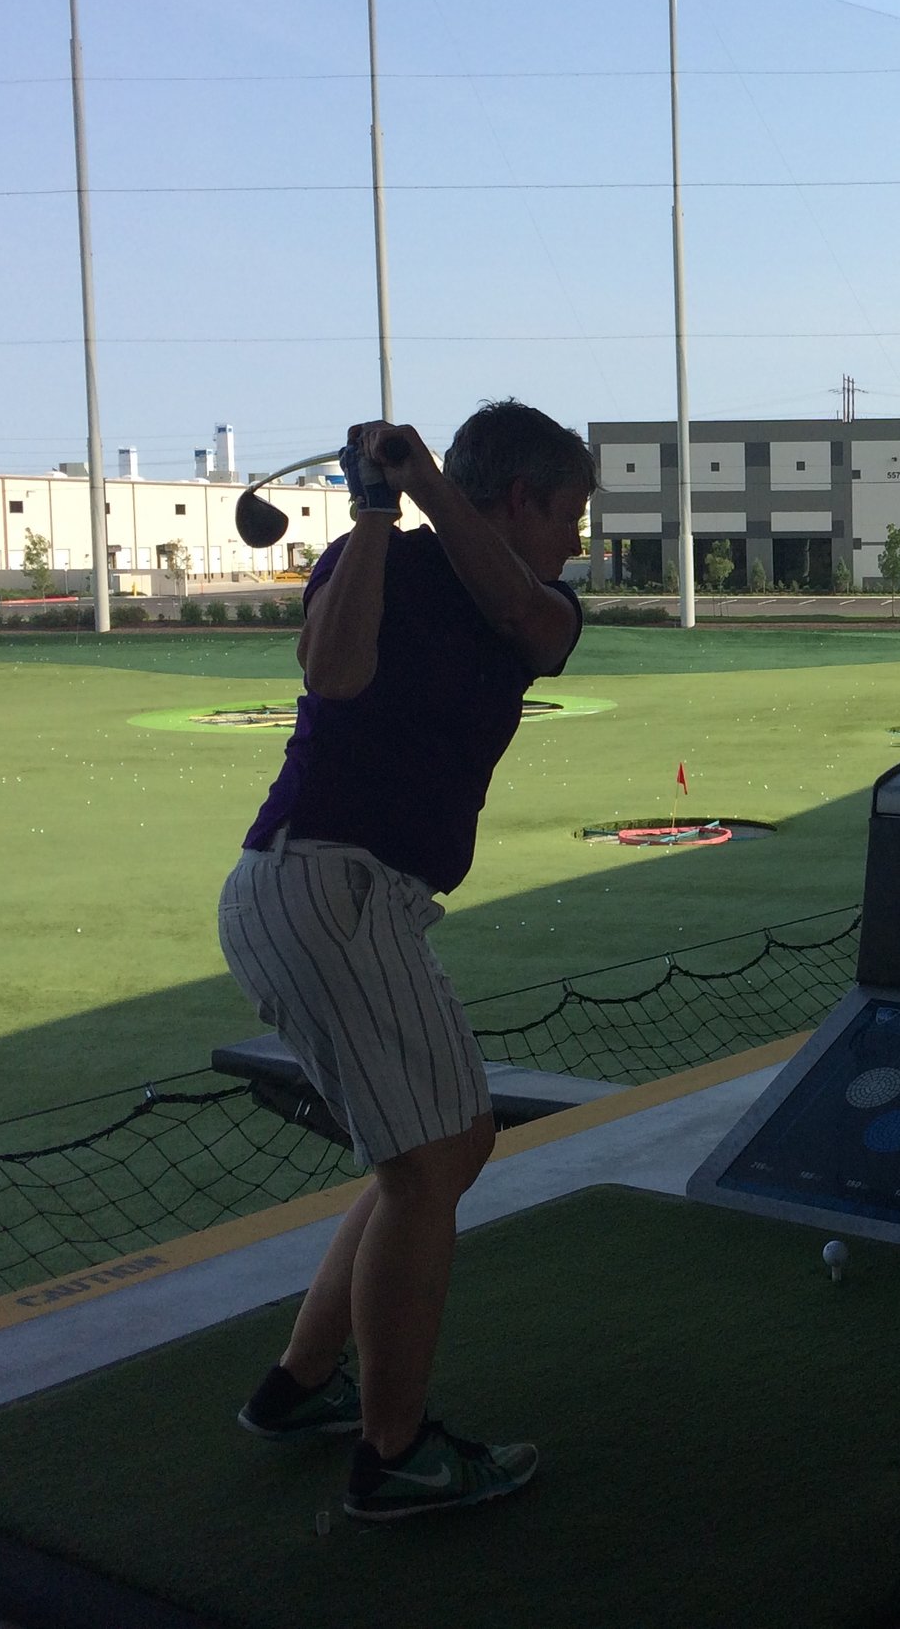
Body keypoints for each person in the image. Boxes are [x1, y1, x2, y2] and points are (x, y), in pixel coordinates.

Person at [217, 402, 590, 1522]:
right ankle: (395, 1452)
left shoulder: (544, 603)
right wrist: (375, 515)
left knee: (438, 1149)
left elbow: (530, 620)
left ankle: (299, 1385)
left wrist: (420, 485)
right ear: (519, 497)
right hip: (325, 885)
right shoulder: (363, 555)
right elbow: (331, 676)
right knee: (428, 1165)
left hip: (353, 897)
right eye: (566, 513)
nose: (575, 539)